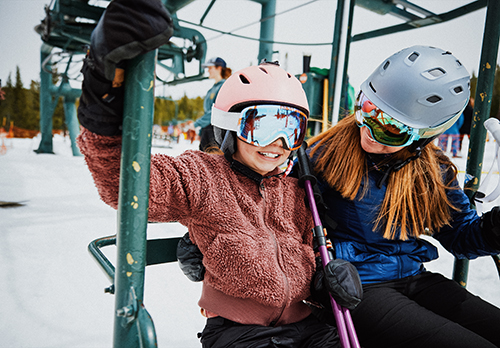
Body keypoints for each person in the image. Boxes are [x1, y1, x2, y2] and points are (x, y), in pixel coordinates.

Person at [75, 2, 351, 346]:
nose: (278, 143)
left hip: (310, 327)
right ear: (229, 127)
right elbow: (125, 183)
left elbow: (317, 245)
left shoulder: (300, 188)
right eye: (261, 127)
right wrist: (103, 85)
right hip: (240, 333)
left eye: (290, 130)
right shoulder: (204, 177)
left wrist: (329, 279)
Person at [307, 45, 500, 348]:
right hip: (357, 286)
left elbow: (461, 237)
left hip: (414, 277)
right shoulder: (325, 156)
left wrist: (495, 227)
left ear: (424, 135)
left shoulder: (433, 172)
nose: (370, 129)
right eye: (367, 108)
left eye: (391, 129)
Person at [194, 57, 232, 152]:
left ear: (219, 68)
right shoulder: (212, 89)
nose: (208, 71)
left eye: (210, 68)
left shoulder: (223, 87)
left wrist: (196, 124)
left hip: (215, 132)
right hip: (208, 130)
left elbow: (215, 112)